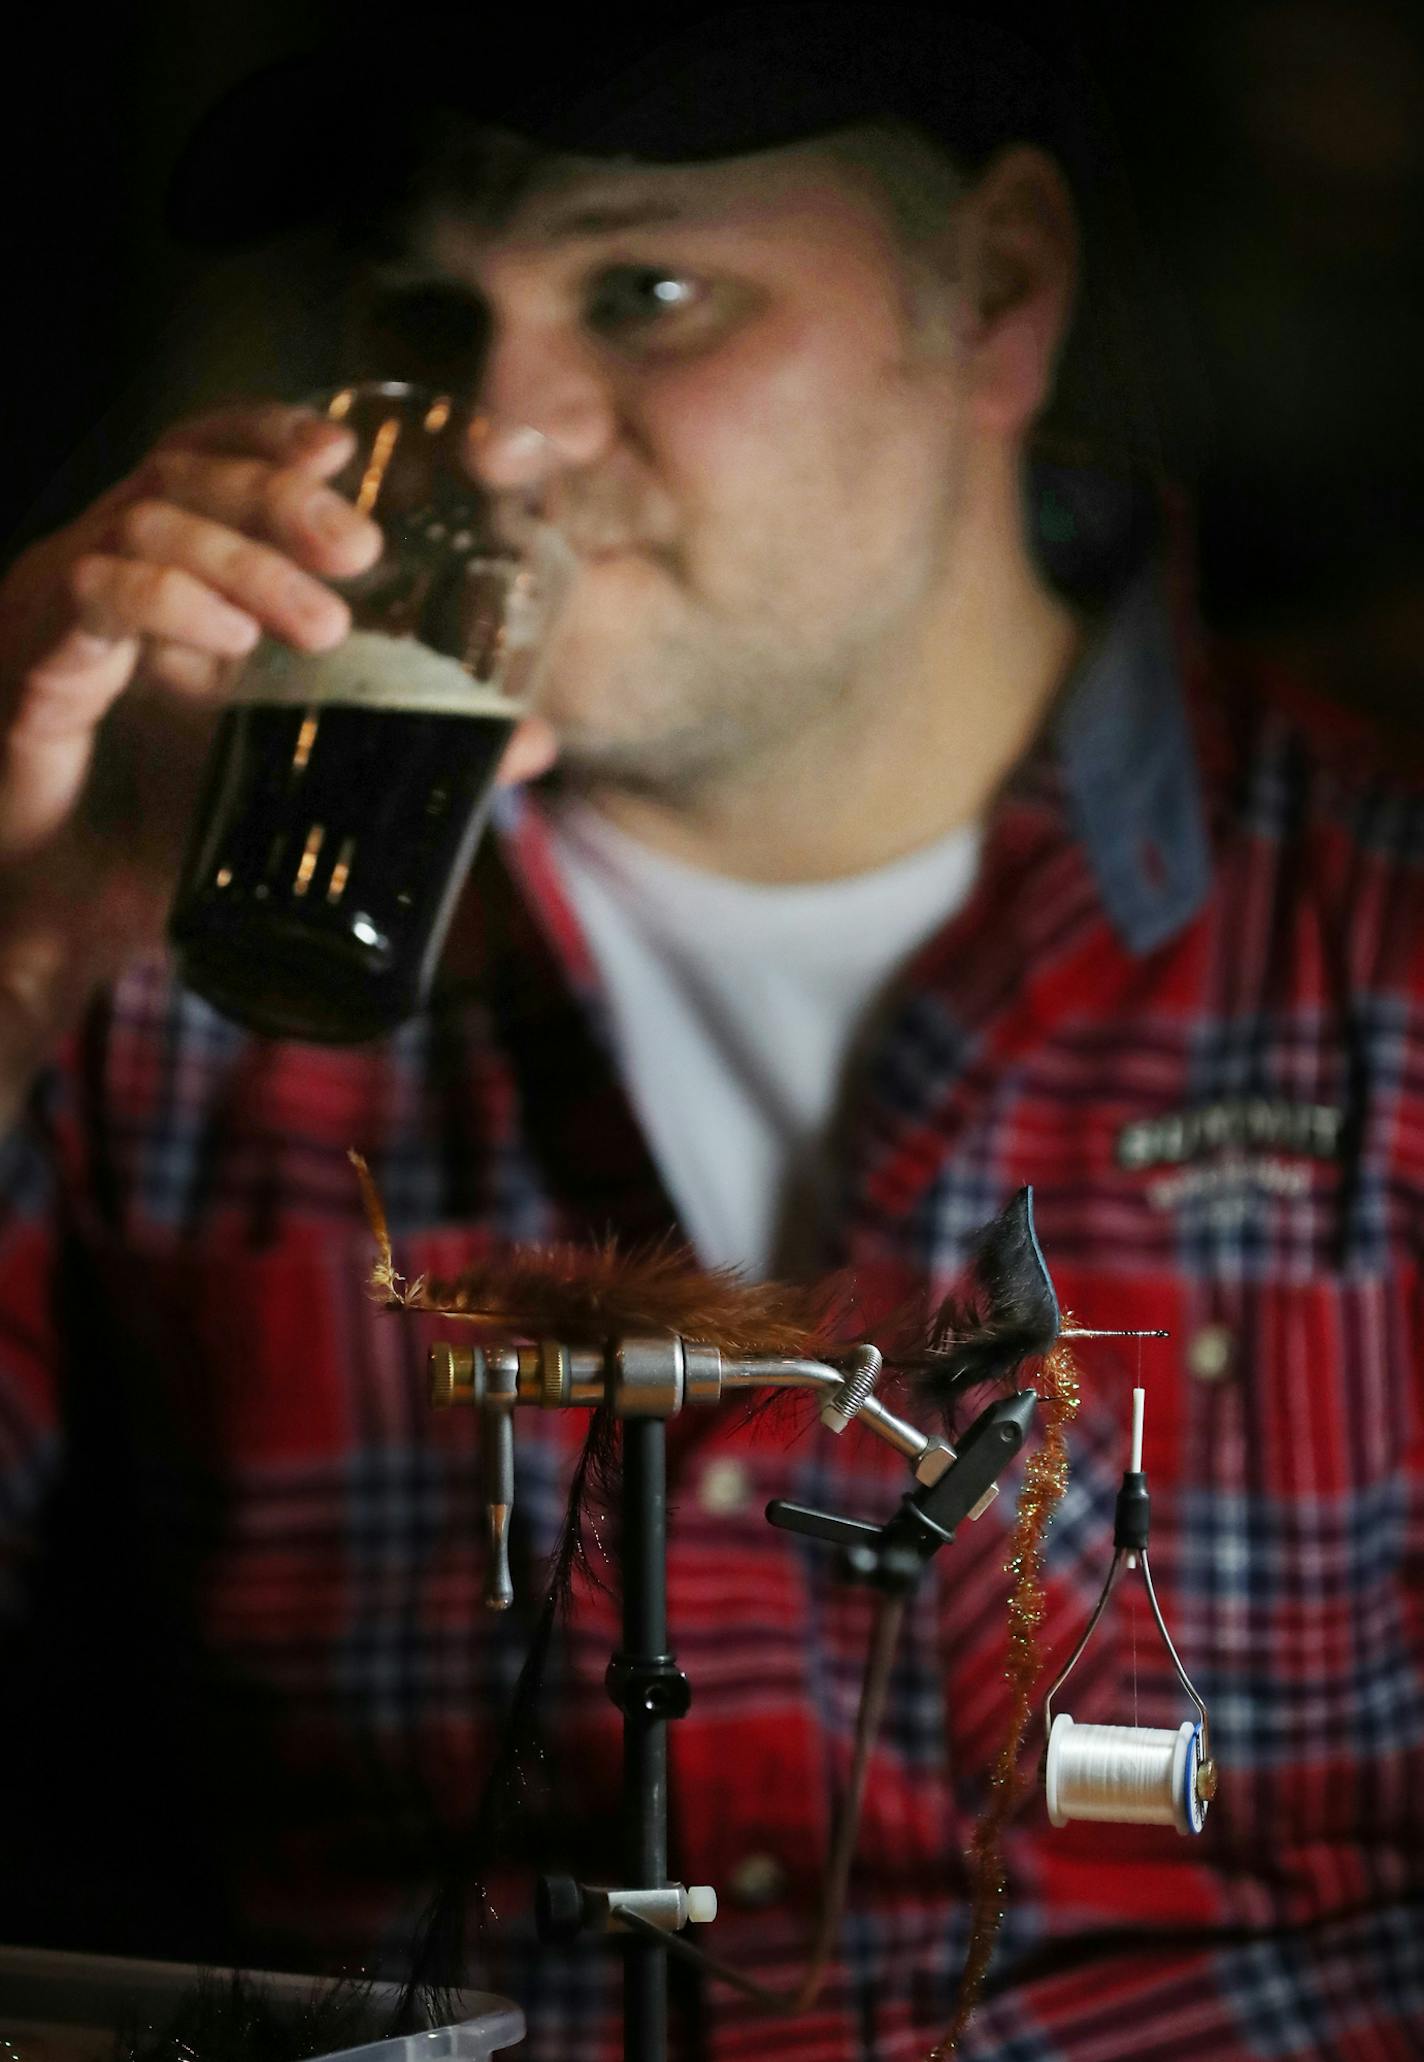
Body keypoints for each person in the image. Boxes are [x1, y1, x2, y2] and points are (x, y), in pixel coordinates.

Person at [0, 8, 1421, 2058]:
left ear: (997, 296)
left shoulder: (1366, 922)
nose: (493, 431)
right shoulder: (180, 952)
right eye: (429, 304)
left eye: (645, 289)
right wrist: (18, 954)